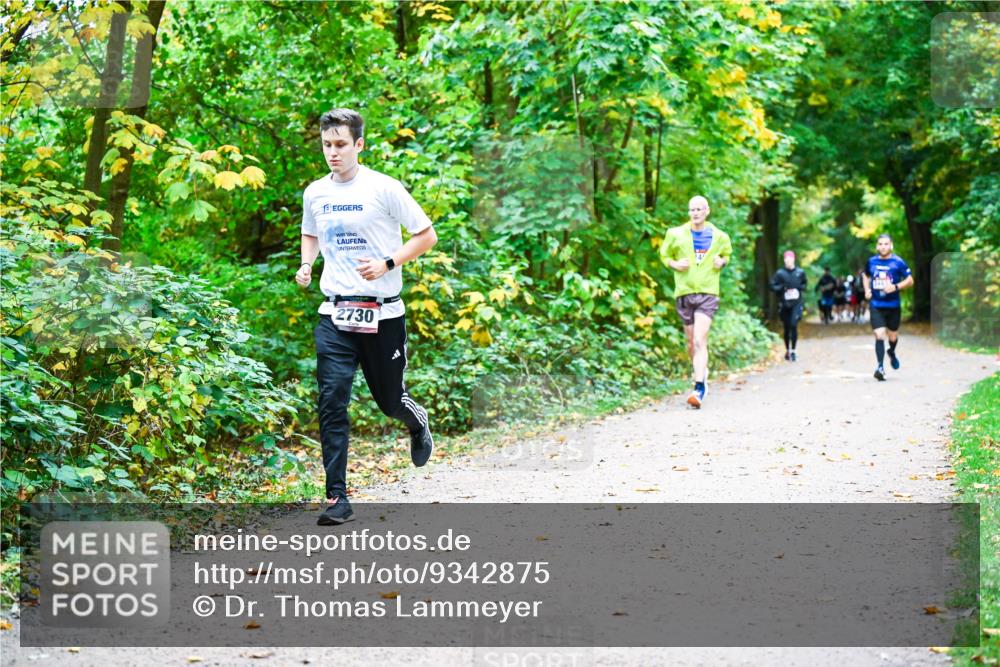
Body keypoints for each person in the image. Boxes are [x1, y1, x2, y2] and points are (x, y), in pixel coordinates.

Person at [296, 108, 438, 525]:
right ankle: (337, 497)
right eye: (327, 145)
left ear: (359, 145)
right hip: (335, 313)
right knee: (331, 401)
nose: (333, 153)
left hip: (383, 315)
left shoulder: (384, 188)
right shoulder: (315, 193)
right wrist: (307, 264)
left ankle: (416, 423)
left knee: (389, 400)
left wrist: (388, 263)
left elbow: (426, 235)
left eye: (341, 145)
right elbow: (311, 233)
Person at [659, 195, 732, 409]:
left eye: (699, 209)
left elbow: (727, 255)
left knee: (700, 340)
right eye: (692, 209)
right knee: (691, 343)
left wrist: (722, 261)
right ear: (689, 212)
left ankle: (699, 388)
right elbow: (664, 256)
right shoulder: (675, 234)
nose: (695, 213)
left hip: (708, 293)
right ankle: (702, 372)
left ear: (707, 211)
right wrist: (674, 264)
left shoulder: (719, 236)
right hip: (684, 292)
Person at [862, 234, 913, 381]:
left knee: (892, 336)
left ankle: (892, 351)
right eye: (880, 244)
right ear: (877, 246)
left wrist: (896, 286)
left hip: (893, 305)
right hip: (876, 305)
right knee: (879, 334)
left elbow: (910, 280)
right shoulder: (871, 262)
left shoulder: (898, 262)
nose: (883, 247)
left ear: (891, 245)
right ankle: (880, 367)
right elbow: (865, 275)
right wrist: (867, 290)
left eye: (886, 244)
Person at [770, 250, 807, 361]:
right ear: (784, 260)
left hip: (796, 303)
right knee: (786, 328)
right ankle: (788, 350)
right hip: (784, 304)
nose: (788, 261)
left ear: (793, 259)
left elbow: (804, 284)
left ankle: (794, 351)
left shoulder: (800, 272)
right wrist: (781, 288)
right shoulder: (780, 273)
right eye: (786, 259)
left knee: (793, 324)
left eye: (790, 259)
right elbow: (772, 286)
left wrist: (799, 288)